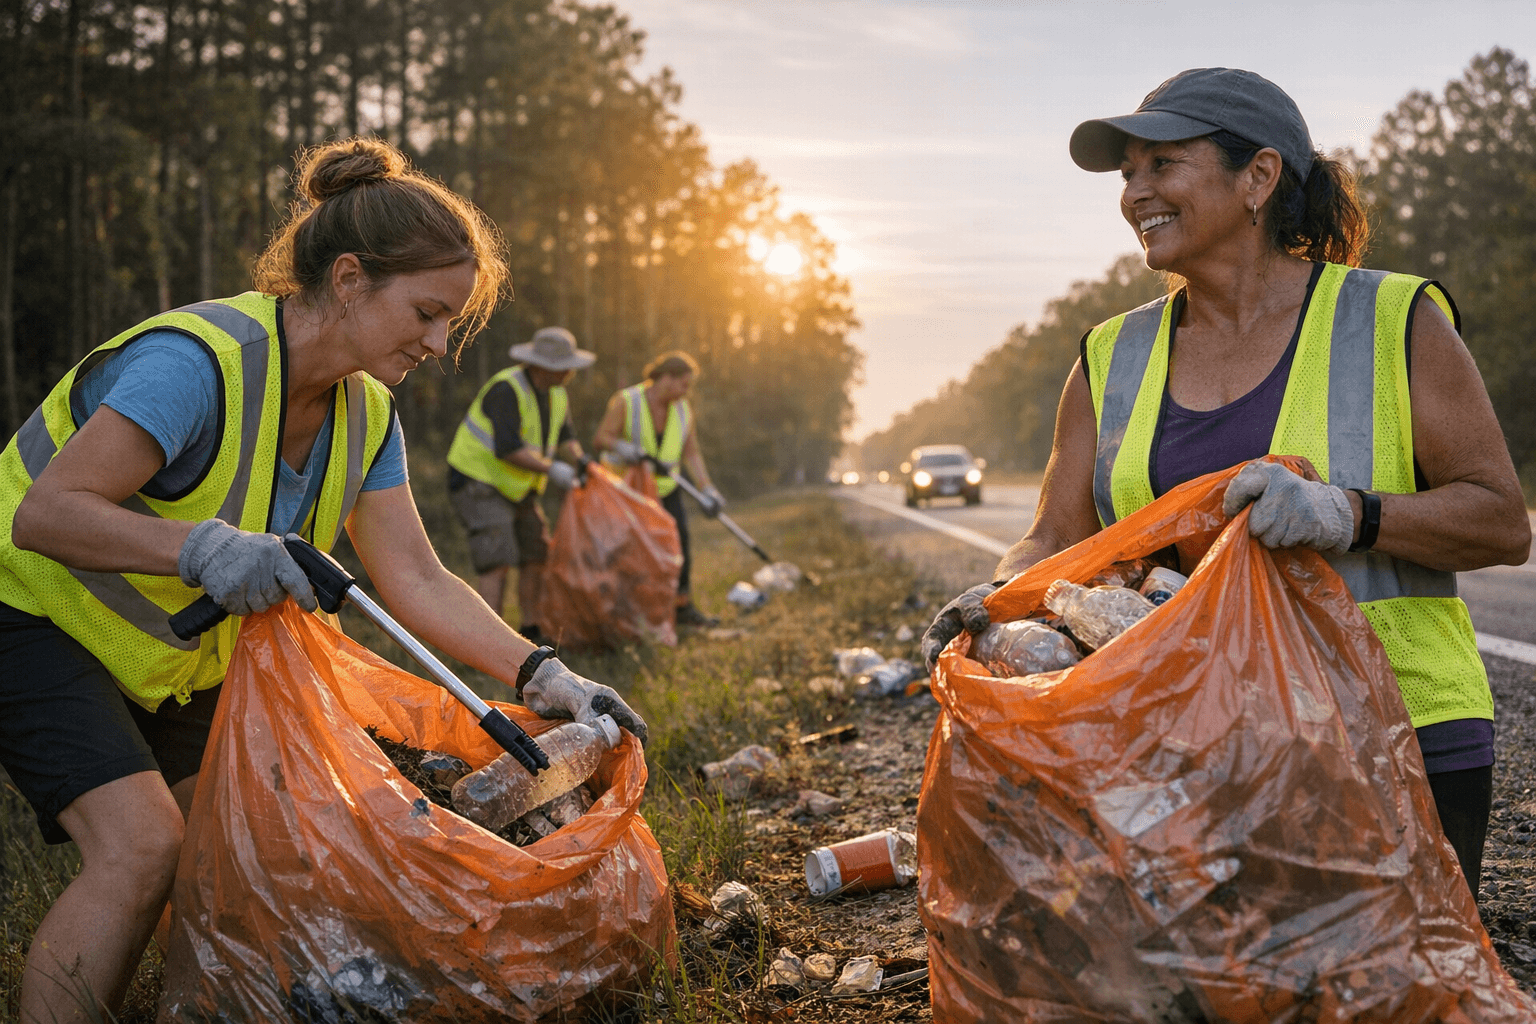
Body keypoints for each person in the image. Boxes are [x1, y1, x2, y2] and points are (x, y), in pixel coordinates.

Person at [0, 137, 647, 1024]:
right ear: (349, 280)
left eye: (449, 323)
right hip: (31, 612)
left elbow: (415, 576)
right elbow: (48, 515)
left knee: (237, 850)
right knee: (144, 846)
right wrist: (209, 550)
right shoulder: (200, 364)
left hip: (167, 653)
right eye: (425, 313)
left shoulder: (367, 412)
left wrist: (546, 675)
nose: (436, 344)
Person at [922, 68, 1530, 900]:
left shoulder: (1391, 321)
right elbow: (1054, 536)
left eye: (1161, 164)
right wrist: (992, 601)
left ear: (1259, 177)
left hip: (1392, 736)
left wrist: (1345, 514)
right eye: (1128, 174)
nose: (1136, 193)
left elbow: (1501, 522)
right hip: (1180, 743)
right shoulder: (1109, 357)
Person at [447, 326, 594, 644]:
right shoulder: (507, 389)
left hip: (518, 489)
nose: (570, 372)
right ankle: (487, 641)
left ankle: (530, 630)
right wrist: (552, 469)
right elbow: (508, 448)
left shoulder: (556, 394)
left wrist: (583, 464)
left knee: (536, 553)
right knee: (496, 560)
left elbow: (566, 438)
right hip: (478, 481)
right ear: (544, 366)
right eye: (564, 366)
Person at [593, 351, 725, 627]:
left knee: (680, 544)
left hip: (666, 488)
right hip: (629, 492)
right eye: (683, 384)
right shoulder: (627, 401)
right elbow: (601, 438)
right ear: (665, 378)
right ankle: (627, 613)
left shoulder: (683, 409)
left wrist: (707, 489)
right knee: (631, 552)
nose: (686, 391)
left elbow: (692, 454)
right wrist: (621, 446)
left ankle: (681, 607)